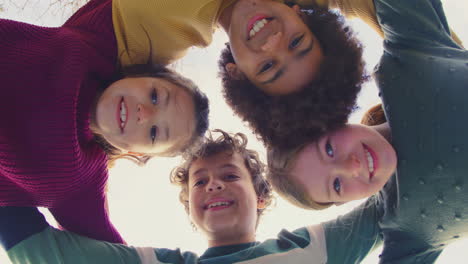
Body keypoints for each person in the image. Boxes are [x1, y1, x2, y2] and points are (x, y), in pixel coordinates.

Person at [267, 0, 468, 262]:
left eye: (329, 149)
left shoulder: (404, 65)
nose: (351, 165)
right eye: (337, 185)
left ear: (330, 120)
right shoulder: (404, 230)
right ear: (342, 203)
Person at [0, 0, 209, 244]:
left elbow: (112, 253)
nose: (145, 113)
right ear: (140, 75)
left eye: (154, 133)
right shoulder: (95, 45)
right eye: (154, 96)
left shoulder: (82, 182)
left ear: (134, 151)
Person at [0, 130, 382, 264]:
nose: (213, 185)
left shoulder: (310, 252)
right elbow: (31, 244)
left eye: (230, 175)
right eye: (199, 182)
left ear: (262, 196)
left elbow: (393, 209)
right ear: (189, 208)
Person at [218, 0, 464, 151]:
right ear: (301, 15)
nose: (274, 43)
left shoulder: (179, 33)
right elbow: (440, 57)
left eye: (267, 67)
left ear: (236, 72)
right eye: (297, 41)